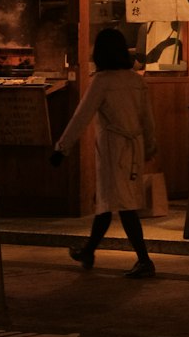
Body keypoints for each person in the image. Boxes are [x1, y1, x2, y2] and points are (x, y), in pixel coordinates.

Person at [49, 26, 158, 278]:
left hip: (113, 148)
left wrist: (61, 148)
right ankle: (89, 250)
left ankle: (144, 260)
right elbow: (147, 118)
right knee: (110, 203)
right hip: (134, 146)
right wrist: (150, 145)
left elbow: (81, 117)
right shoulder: (136, 80)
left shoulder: (102, 82)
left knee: (120, 204)